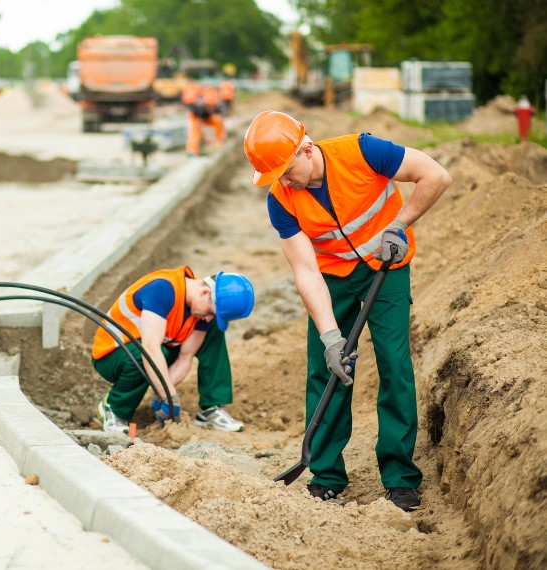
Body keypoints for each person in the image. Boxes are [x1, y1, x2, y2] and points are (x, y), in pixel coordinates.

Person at [242, 110, 451, 512]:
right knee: (326, 367)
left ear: (306, 149)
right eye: (275, 178)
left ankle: (400, 477)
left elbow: (436, 176)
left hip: (386, 264)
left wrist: (400, 224)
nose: (284, 182)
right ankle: (327, 476)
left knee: (393, 361)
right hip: (333, 275)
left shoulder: (363, 151)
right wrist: (331, 338)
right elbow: (305, 270)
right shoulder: (280, 201)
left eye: (286, 171)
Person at [92, 266, 255, 434]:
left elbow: (186, 356)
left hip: (155, 351)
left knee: (213, 331)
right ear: (205, 293)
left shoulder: (201, 307)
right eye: (210, 312)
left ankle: (210, 409)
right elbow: (149, 348)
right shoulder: (162, 289)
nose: (208, 318)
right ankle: (114, 408)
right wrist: (169, 395)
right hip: (113, 355)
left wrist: (163, 392)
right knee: (148, 354)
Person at [183, 84, 226, 156]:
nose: (211, 109)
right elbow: (198, 120)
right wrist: (203, 134)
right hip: (196, 118)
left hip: (208, 118)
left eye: (212, 107)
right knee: (195, 131)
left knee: (217, 121)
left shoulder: (218, 107)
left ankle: (217, 142)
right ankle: (192, 150)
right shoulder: (198, 108)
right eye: (209, 107)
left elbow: (220, 119)